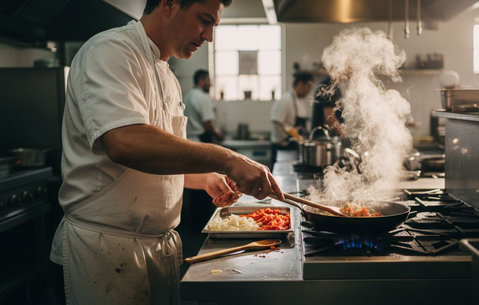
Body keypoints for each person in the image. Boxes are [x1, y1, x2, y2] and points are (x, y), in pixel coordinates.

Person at [49, 0, 284, 304]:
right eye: (204, 20)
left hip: (159, 249)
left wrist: (204, 179)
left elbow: (159, 157)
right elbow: (125, 142)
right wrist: (227, 159)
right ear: (170, 4)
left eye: (214, 25)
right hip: (104, 250)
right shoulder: (110, 52)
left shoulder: (168, 76)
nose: (209, 36)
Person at [270, 71, 314, 169]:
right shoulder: (286, 100)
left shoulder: (300, 101)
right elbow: (276, 121)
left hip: (293, 149)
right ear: (300, 83)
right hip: (283, 149)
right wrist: (288, 136)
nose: (309, 90)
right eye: (308, 86)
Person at [184, 69, 224, 143]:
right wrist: (218, 135)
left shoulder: (187, 96)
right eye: (209, 81)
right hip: (200, 140)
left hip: (187, 139)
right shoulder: (202, 97)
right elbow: (207, 124)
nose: (210, 84)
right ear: (201, 80)